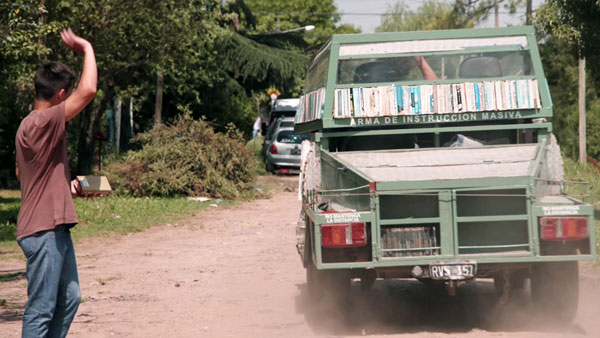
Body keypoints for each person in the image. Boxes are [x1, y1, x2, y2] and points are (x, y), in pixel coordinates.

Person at [14, 28, 97, 338]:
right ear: (61, 94)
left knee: (69, 298)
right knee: (41, 311)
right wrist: (86, 46)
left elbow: (27, 176)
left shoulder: (32, 126)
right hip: (43, 230)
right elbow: (88, 91)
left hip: (54, 227)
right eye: (69, 93)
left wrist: (68, 188)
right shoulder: (41, 121)